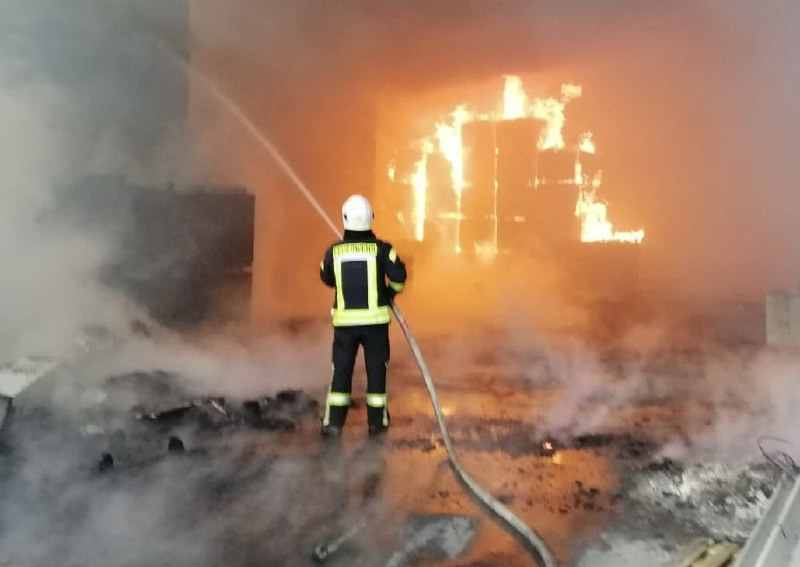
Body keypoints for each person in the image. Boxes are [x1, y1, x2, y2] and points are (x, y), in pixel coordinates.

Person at [319, 194, 407, 438]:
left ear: (344, 218)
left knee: (341, 372)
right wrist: (390, 293)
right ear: (371, 218)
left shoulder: (334, 251)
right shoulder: (383, 250)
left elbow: (326, 278)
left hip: (345, 328)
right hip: (375, 326)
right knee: (377, 372)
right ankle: (377, 423)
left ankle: (332, 423)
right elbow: (400, 276)